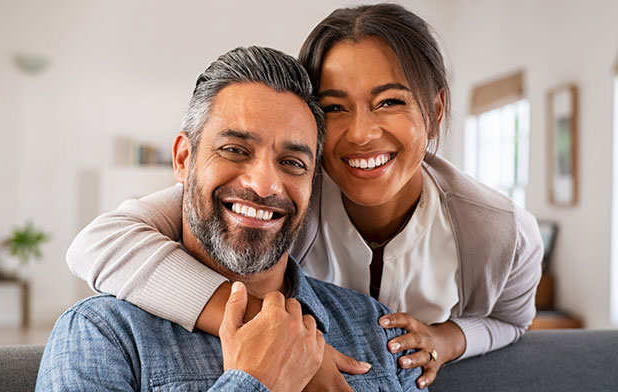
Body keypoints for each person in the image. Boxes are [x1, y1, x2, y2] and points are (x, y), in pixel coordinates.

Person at [66, 3, 543, 389]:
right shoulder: (287, 192)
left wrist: (447, 339)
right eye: (334, 107)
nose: (361, 133)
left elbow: (512, 320)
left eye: (390, 101)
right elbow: (100, 242)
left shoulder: (496, 230)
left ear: (435, 111)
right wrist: (277, 336)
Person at [38, 46, 423, 391]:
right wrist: (255, 383)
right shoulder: (103, 335)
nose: (264, 184)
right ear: (183, 160)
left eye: (292, 162)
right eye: (235, 150)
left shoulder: (378, 330)